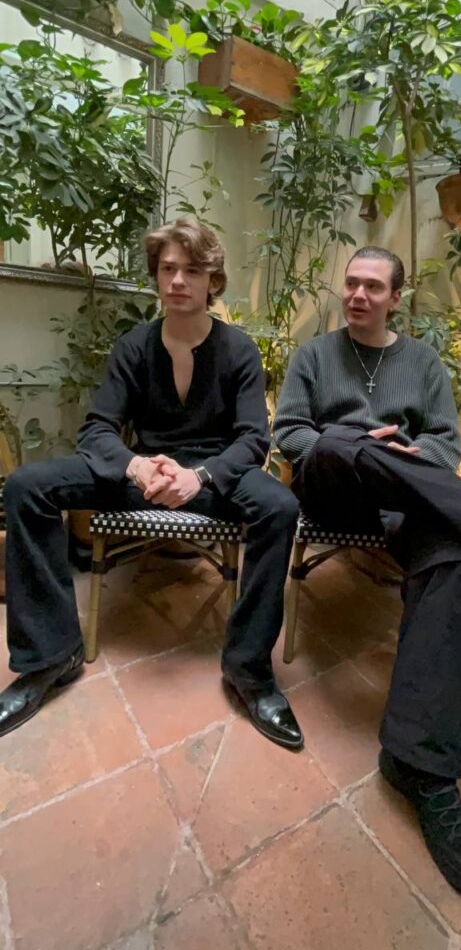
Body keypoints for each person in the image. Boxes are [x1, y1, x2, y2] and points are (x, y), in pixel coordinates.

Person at [274, 245, 461, 898]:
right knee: (340, 440)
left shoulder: (423, 362)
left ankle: (423, 769)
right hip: (333, 486)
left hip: (406, 499)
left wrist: (406, 451)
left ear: (395, 298)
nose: (357, 295)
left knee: (447, 555)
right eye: (351, 283)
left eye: (372, 286)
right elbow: (291, 433)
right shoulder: (314, 355)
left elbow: (445, 442)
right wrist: (361, 444)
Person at [0, 218, 303, 751]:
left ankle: (249, 670)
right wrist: (136, 467)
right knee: (28, 485)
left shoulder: (239, 350)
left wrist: (198, 476)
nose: (178, 280)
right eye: (168, 269)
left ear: (213, 280)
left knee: (279, 507)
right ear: (157, 276)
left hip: (213, 478)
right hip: (143, 473)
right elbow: (98, 429)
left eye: (192, 270)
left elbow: (253, 439)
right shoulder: (134, 346)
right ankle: (50, 657)